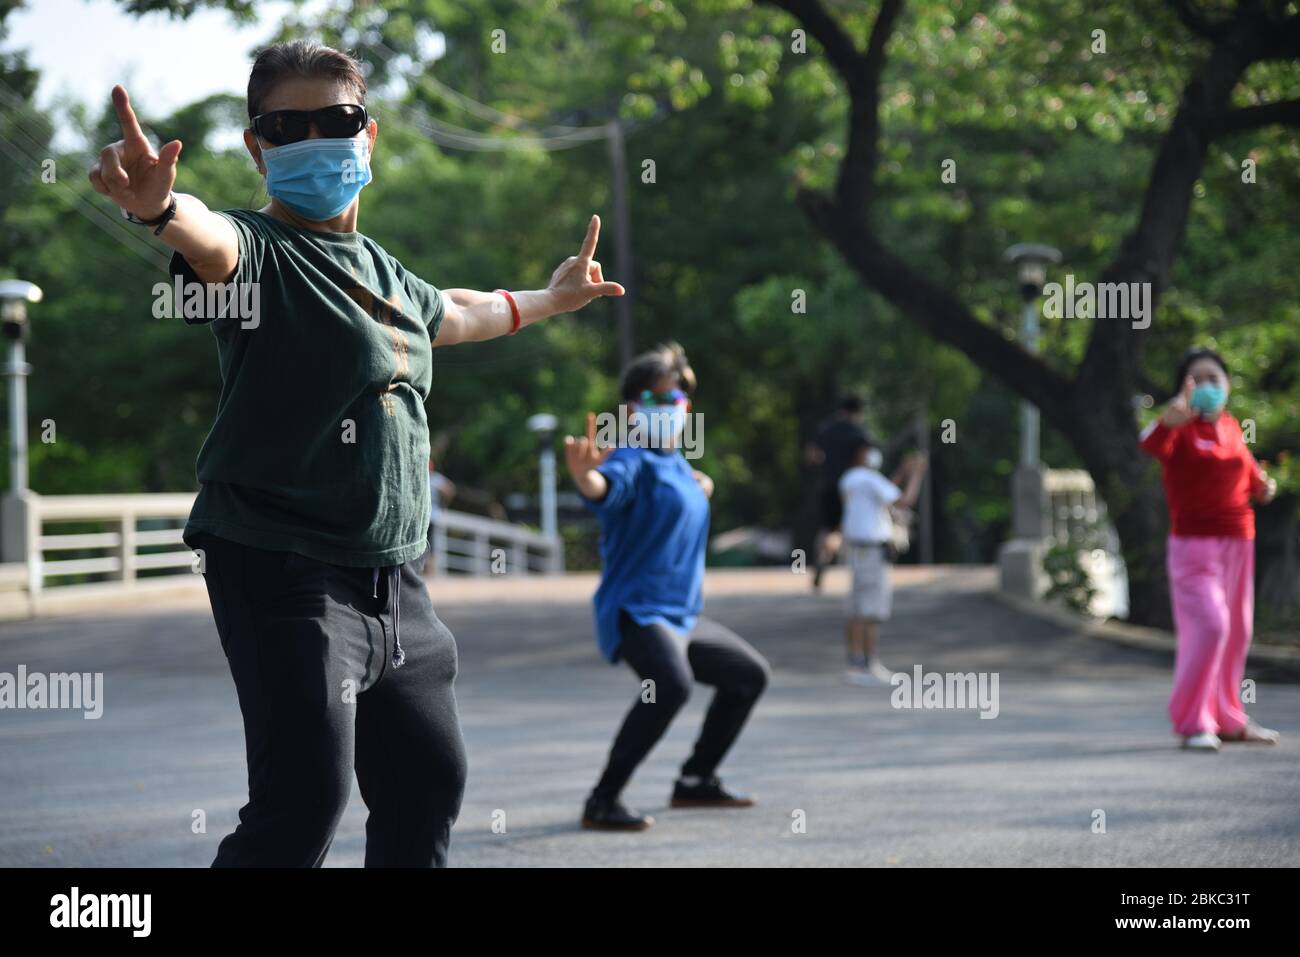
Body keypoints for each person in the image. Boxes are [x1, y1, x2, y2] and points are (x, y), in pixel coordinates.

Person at [88, 40, 623, 866]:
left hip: (397, 579)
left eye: (333, 119)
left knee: (427, 783)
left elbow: (459, 310)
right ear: (256, 147)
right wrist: (158, 208)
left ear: (367, 135)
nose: (314, 136)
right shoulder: (259, 253)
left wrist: (550, 299)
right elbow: (207, 238)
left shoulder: (385, 273)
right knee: (303, 803)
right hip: (283, 569)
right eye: (286, 124)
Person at [564, 343, 771, 830]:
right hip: (636, 612)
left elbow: (687, 489)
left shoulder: (679, 465)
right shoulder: (629, 457)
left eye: (673, 399)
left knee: (748, 676)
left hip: (683, 617)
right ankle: (602, 799)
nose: (665, 409)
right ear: (632, 408)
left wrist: (704, 486)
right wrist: (584, 477)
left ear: (686, 407)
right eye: (652, 400)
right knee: (670, 687)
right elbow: (607, 487)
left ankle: (696, 781)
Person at [1139, 347, 1279, 752]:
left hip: (1239, 543)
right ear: (1184, 387)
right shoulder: (1177, 427)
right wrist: (1167, 421)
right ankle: (1193, 720)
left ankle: (1228, 718)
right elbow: (1148, 444)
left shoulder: (1234, 429)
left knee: (1237, 633)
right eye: (1196, 379)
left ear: (1228, 386)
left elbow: (1253, 479)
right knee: (1211, 627)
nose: (1206, 387)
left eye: (1214, 379)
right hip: (1193, 548)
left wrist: (1265, 488)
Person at [839, 439, 928, 685]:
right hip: (871, 551)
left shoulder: (852, 478)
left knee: (857, 608)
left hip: (859, 551)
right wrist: (916, 474)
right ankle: (866, 665)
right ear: (861, 453)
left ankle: (857, 662)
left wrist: (901, 470)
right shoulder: (868, 479)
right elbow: (904, 501)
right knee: (869, 610)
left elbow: (885, 489)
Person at [806, 396, 873, 590]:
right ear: (857, 412)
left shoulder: (825, 429)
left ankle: (822, 559)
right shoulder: (858, 432)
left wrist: (826, 463)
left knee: (827, 528)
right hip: (849, 486)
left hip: (827, 485)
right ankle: (848, 564)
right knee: (843, 529)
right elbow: (866, 458)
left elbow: (811, 456)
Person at [423, 457, 456, 576]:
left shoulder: (433, 479)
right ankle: (428, 572)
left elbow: (449, 490)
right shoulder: (435, 478)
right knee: (430, 546)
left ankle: (429, 572)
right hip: (430, 516)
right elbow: (450, 490)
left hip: (430, 517)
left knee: (429, 545)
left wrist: (444, 505)